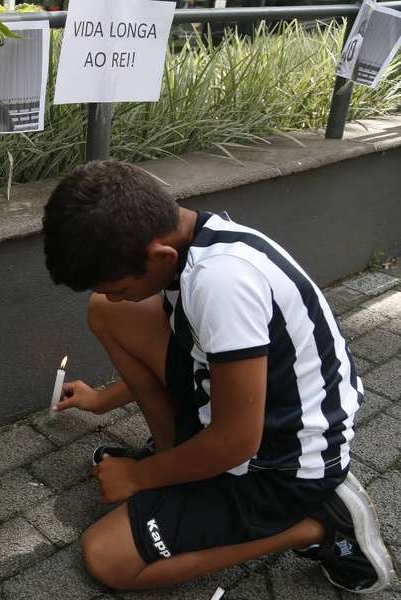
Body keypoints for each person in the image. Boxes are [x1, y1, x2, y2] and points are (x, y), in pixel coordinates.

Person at [42, 160, 396, 594]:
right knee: (108, 313)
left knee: (107, 557)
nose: (114, 294)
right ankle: (176, 461)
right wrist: (102, 399)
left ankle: (319, 525)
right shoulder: (194, 240)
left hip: (283, 464)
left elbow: (236, 442)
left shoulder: (221, 283)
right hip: (250, 416)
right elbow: (198, 356)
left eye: (118, 284)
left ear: (158, 257)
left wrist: (139, 477)